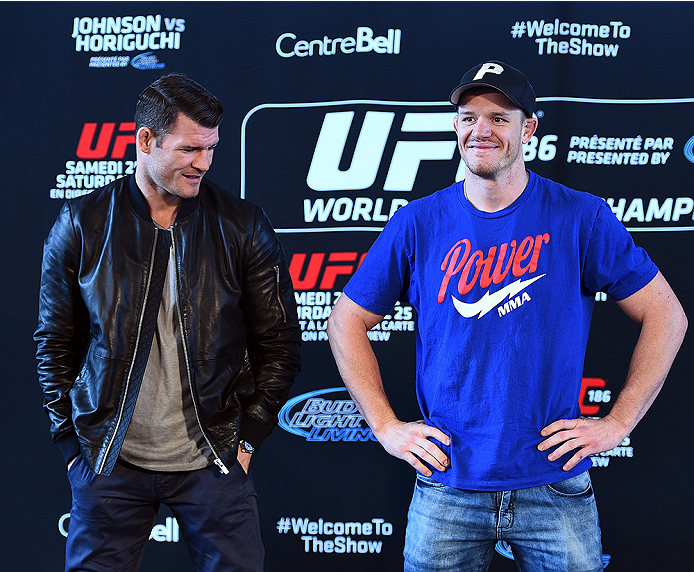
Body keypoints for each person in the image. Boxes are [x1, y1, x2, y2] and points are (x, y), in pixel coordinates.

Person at [327, 60, 687, 571]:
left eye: (499, 117)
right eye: (469, 116)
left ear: (529, 128)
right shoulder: (418, 223)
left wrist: (619, 421)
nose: (481, 130)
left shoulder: (580, 216)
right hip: (447, 483)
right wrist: (386, 425)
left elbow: (666, 315)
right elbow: (345, 320)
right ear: (455, 126)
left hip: (554, 483)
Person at [35, 73, 301, 572]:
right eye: (189, 149)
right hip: (110, 462)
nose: (203, 163)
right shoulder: (83, 224)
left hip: (214, 459)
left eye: (211, 148)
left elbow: (281, 340)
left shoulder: (241, 224)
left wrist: (248, 439)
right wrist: (73, 449)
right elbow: (55, 342)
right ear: (146, 141)